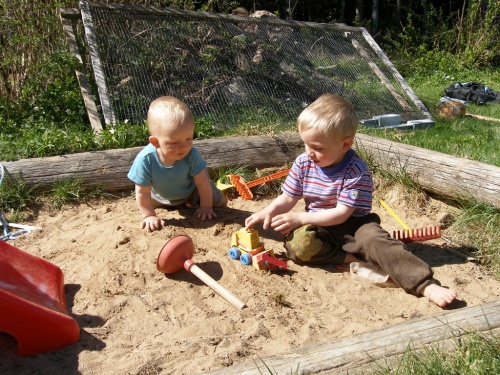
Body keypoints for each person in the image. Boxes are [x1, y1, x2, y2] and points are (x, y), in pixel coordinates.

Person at [245, 93, 457, 308]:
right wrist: (268, 212)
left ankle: (424, 284)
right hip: (319, 223)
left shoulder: (355, 170)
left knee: (375, 241)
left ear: (345, 144)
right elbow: (289, 196)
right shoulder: (303, 163)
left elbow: (342, 213)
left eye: (318, 148)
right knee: (298, 247)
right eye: (306, 144)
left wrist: (299, 217)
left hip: (355, 225)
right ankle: (355, 258)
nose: (310, 153)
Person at [128, 96, 227, 232]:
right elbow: (142, 191)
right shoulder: (145, 159)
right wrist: (149, 215)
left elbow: (202, 183)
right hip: (159, 197)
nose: (183, 147)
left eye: (188, 139)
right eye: (174, 143)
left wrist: (205, 207)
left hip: (191, 192)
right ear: (155, 142)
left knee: (216, 198)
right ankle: (158, 210)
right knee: (145, 202)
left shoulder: (191, 154)